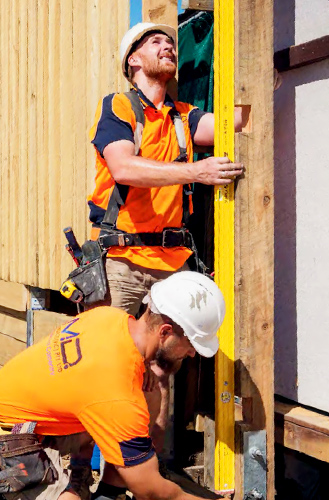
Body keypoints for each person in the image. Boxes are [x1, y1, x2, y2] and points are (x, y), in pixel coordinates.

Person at [86, 22, 244, 452]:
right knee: (103, 364)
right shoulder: (118, 107)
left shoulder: (184, 116)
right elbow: (123, 167)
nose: (168, 46)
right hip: (121, 262)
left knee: (162, 367)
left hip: (171, 266)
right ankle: (85, 475)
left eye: (171, 42)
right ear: (133, 60)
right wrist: (198, 171)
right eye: (155, 42)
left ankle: (148, 472)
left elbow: (237, 121)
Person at [0, 272, 226, 500]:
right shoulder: (116, 389)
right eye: (190, 343)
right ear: (165, 332)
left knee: (146, 392)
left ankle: (100, 488)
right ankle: (72, 489)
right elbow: (152, 491)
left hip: (15, 418)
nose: (191, 354)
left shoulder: (109, 318)